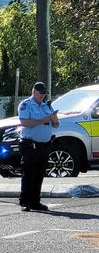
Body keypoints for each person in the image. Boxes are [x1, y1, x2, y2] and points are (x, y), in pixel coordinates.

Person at [18, 82, 59, 211]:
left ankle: (35, 201)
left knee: (39, 174)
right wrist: (43, 120)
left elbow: (56, 125)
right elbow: (24, 122)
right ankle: (25, 201)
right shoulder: (26, 105)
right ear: (33, 91)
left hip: (44, 145)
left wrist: (54, 119)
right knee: (29, 173)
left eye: (43, 93)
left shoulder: (46, 106)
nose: (42, 95)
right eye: (40, 93)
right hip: (30, 145)